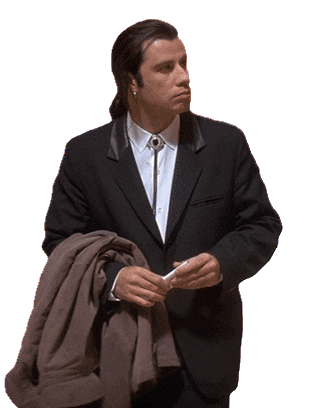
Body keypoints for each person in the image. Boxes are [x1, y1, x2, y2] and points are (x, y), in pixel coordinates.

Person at [43, 19, 282, 408]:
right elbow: (61, 242)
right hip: (117, 352)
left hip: (203, 354)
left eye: (184, 63)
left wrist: (221, 263)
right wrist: (114, 279)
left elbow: (262, 226)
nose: (184, 77)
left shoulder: (226, 144)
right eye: (165, 68)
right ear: (131, 82)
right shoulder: (84, 155)